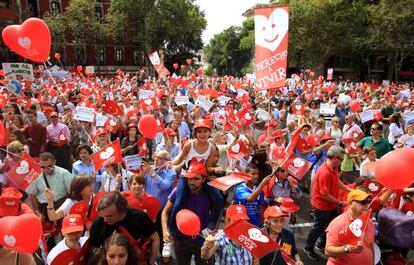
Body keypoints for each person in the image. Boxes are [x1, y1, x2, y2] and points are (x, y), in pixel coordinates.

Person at [161, 161, 223, 265]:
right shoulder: (178, 191)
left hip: (202, 240)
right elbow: (165, 212)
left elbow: (216, 212)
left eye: (196, 179)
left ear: (203, 179)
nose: (192, 182)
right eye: (190, 178)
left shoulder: (210, 194)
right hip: (180, 239)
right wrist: (164, 231)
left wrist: (212, 229)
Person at [304, 146, 351, 261]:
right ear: (335, 158)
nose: (341, 161)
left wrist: (348, 189)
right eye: (341, 159)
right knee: (318, 228)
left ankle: (321, 244)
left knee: (331, 226)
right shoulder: (325, 172)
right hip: (322, 206)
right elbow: (324, 195)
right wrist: (341, 202)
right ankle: (308, 247)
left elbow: (336, 180)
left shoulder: (333, 168)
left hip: (331, 205)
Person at [89, 191, 159, 265]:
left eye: (110, 216)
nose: (105, 220)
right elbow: (93, 248)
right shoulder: (98, 224)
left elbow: (155, 238)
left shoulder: (139, 218)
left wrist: (151, 262)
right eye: (102, 215)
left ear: (122, 211)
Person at [325, 189, 375, 265]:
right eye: (363, 202)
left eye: (368, 202)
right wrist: (347, 249)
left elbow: (371, 247)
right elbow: (328, 251)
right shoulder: (338, 223)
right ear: (351, 203)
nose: (366, 205)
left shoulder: (369, 222)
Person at [26, 152, 73, 221]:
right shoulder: (36, 175)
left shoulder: (64, 173)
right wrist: (37, 212)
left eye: (49, 166)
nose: (46, 169)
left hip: (61, 206)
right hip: (45, 207)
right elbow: (32, 194)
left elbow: (71, 192)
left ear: (54, 162)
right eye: (42, 167)